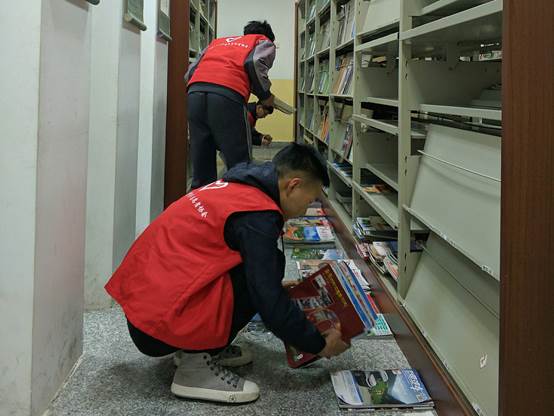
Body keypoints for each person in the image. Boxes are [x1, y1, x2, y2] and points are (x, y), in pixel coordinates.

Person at [104, 143, 349, 404]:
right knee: (266, 274)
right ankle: (195, 369)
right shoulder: (258, 216)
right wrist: (318, 344)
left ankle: (196, 348)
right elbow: (268, 301)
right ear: (293, 185)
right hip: (156, 326)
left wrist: (273, 287)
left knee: (262, 271)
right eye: (309, 201)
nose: (304, 211)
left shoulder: (238, 185)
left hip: (145, 308)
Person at [185, 21, 277, 189]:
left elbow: (191, 71)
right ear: (269, 37)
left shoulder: (216, 43)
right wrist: (265, 96)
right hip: (227, 95)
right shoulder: (263, 42)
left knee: (201, 164)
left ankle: (203, 202)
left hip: (194, 93)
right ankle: (238, 200)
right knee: (239, 164)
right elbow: (254, 63)